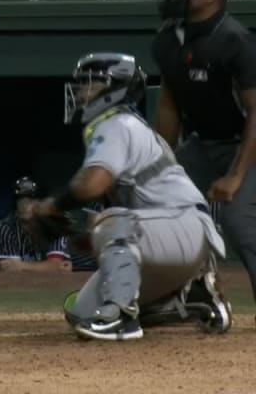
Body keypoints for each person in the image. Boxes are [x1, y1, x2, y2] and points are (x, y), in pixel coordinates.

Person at [21, 53, 230, 341]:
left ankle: (121, 316)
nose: (81, 91)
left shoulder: (117, 124)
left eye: (91, 83)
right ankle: (190, 297)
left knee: (111, 223)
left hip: (184, 227)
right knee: (83, 312)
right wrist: (75, 230)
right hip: (173, 237)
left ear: (114, 88)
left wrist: (51, 206)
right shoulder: (126, 127)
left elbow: (89, 186)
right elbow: (122, 221)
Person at [152, 0, 256, 306]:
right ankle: (175, 298)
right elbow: (169, 103)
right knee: (158, 207)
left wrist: (236, 176)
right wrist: (159, 164)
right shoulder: (167, 38)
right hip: (200, 145)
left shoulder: (234, 39)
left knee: (240, 223)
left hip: (245, 144)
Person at [0, 176, 95, 272]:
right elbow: (10, 267)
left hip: (86, 262)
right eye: (21, 200)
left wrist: (22, 266)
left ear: (41, 202)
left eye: (31, 199)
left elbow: (55, 265)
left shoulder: (54, 224)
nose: (25, 205)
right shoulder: (7, 227)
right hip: (51, 266)